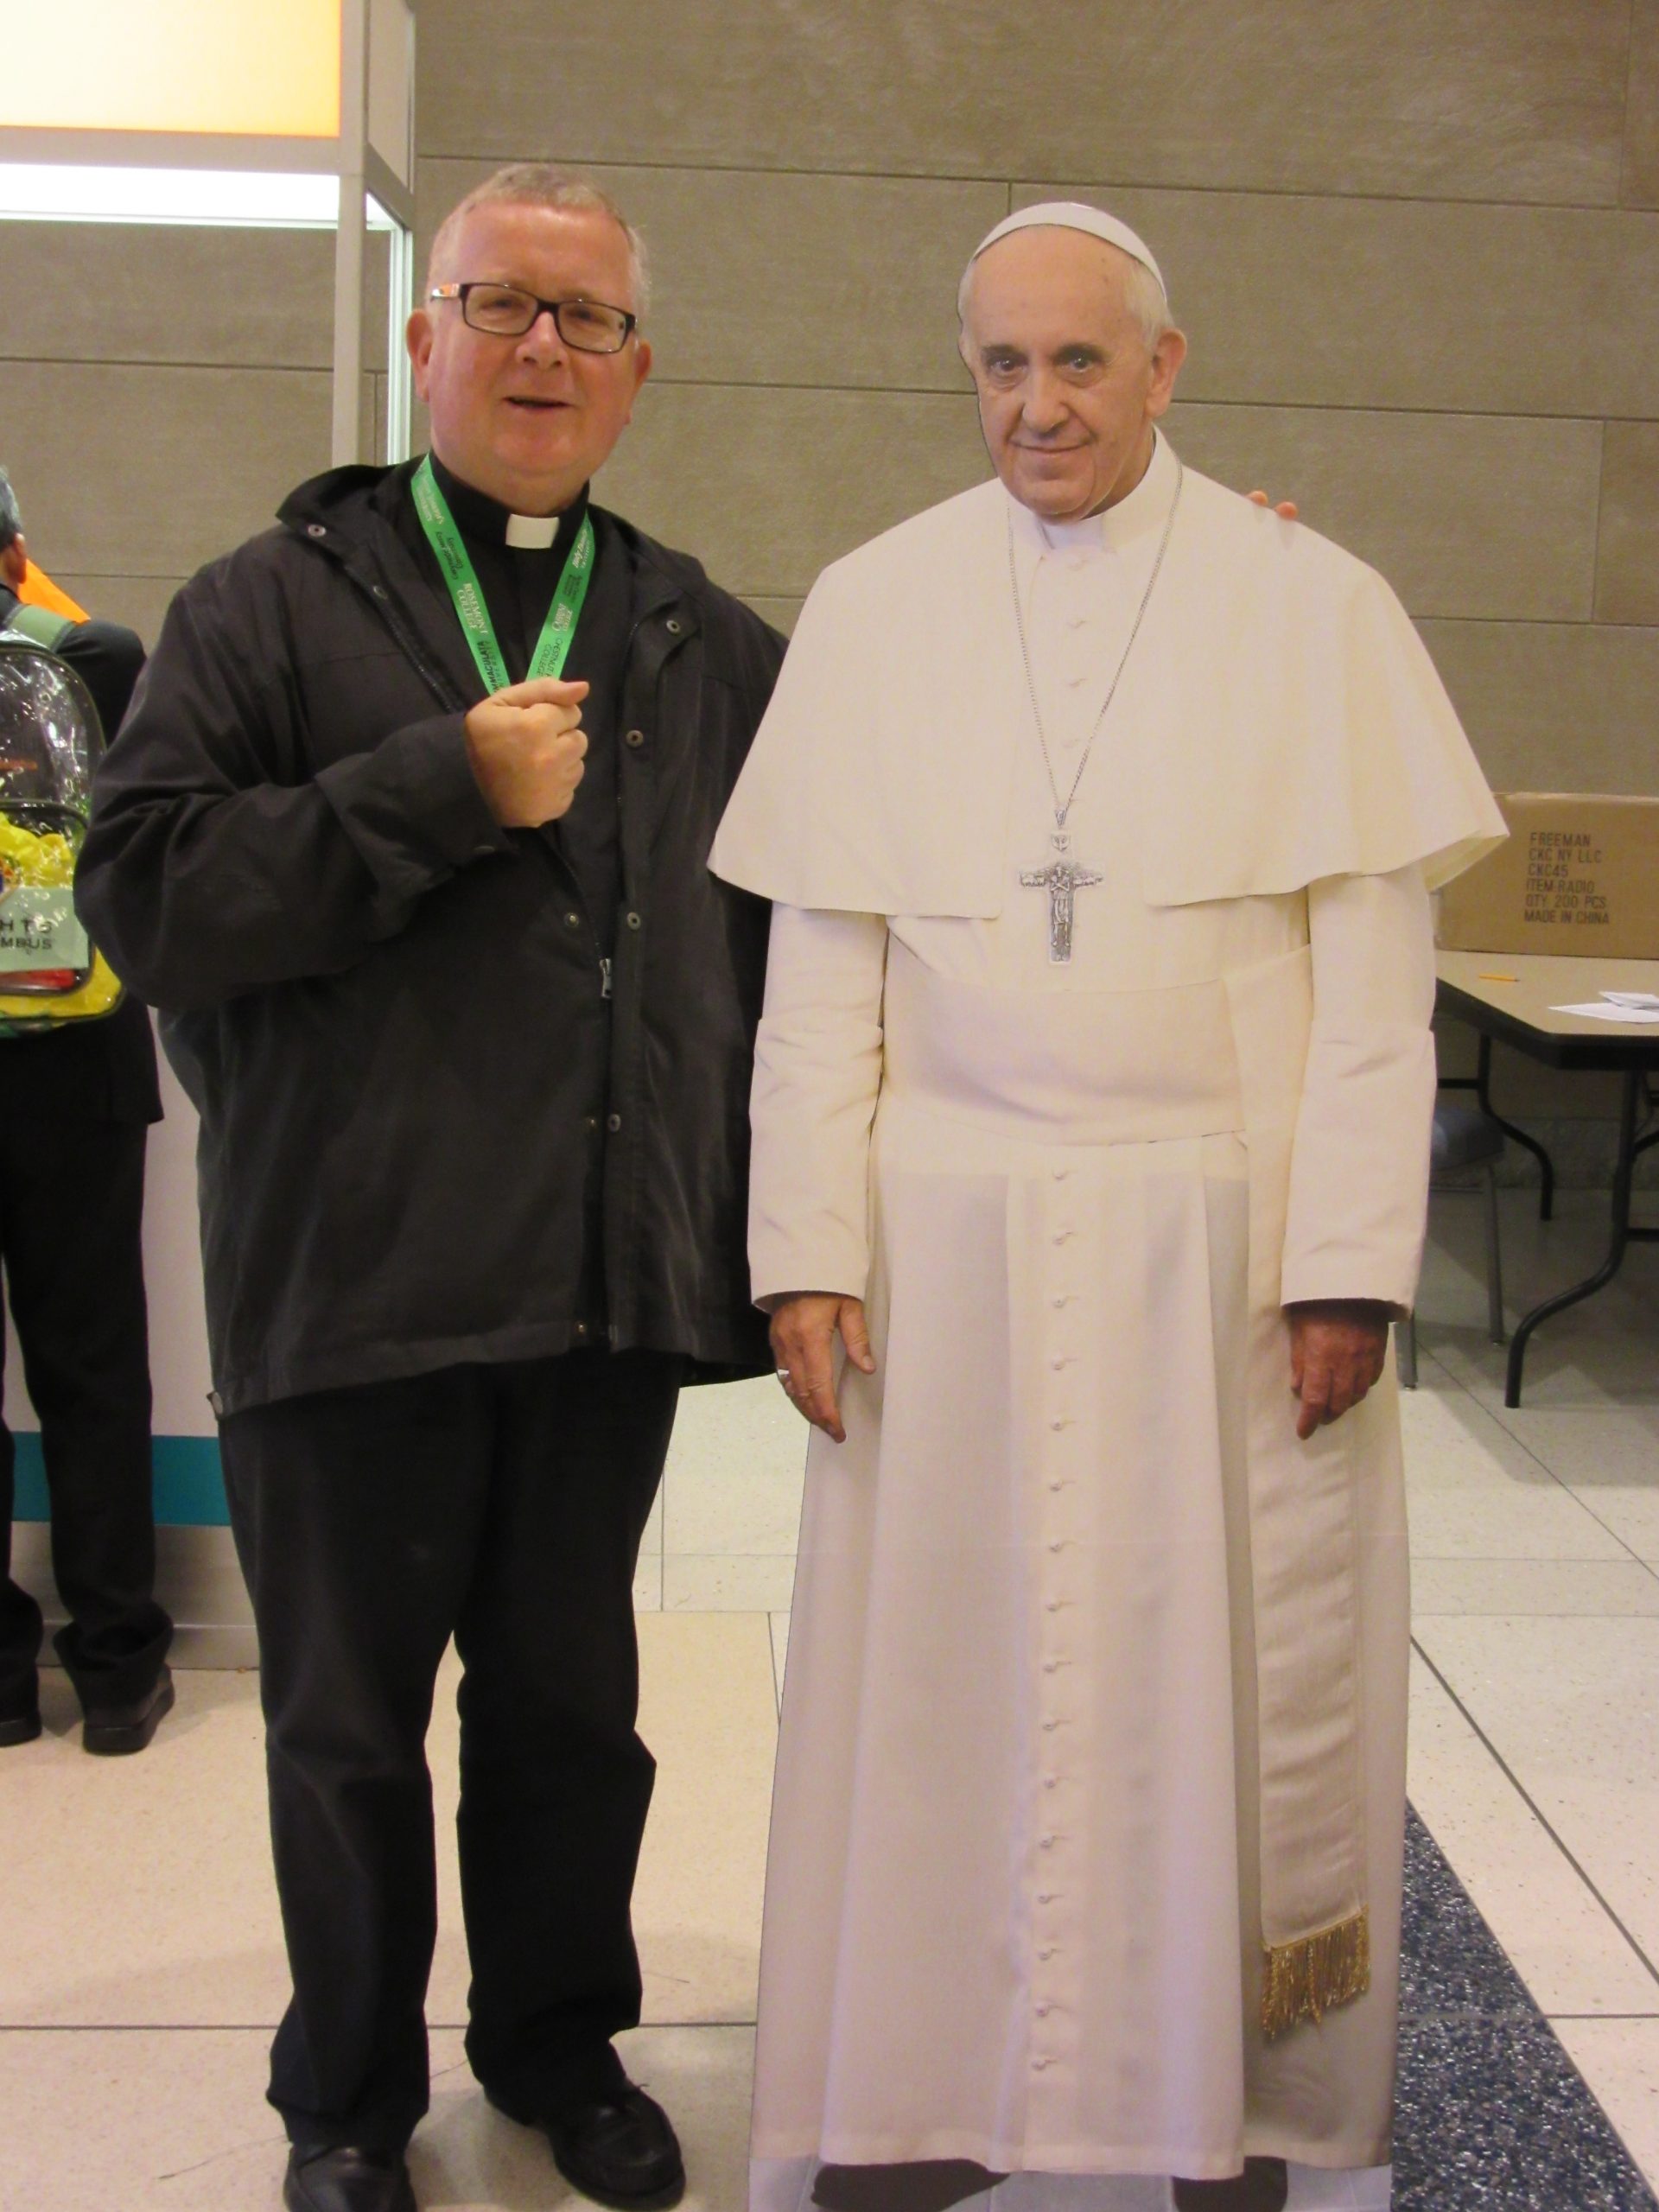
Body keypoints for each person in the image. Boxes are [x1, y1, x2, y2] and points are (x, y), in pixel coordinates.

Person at [710, 204, 1505, 2212]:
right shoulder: (877, 604)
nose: (1038, 404)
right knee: (937, 1700)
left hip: (1214, 1253)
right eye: (1003, 363)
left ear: (1165, 366)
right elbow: (823, 961)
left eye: (1079, 361)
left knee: (1199, 1697)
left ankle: (1211, 2108)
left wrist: (1346, 1265)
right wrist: (805, 1247)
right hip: (943, 1247)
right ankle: (917, 2095)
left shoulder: (1312, 605)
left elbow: (1376, 981)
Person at [76, 168, 785, 2212]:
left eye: (588, 317)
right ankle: (348, 2099)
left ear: (638, 368)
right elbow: (148, 896)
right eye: (501, 304)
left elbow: (878, 858)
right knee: (346, 1728)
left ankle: (557, 2042)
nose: (543, 346)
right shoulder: (265, 605)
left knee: (574, 1714)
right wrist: (436, 787)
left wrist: (1176, 600)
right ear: (422, 335)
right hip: (351, 1279)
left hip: (594, 1288)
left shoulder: (703, 638)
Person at [0, 464, 172, 1758]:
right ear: (16, 553)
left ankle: (1, 1686)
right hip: (73, 1059)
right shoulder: (98, 658)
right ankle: (115, 1669)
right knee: (93, 1365)